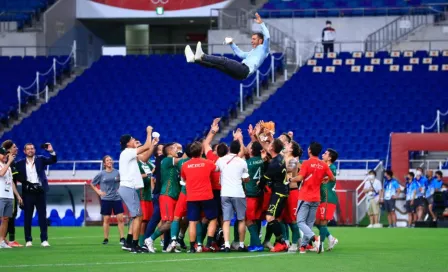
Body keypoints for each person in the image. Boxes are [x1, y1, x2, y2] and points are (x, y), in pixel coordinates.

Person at [184, 13, 270, 81]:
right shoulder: (252, 53)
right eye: (252, 39)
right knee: (216, 65)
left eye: (254, 39)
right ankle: (195, 60)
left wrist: (261, 24)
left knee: (223, 60)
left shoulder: (264, 49)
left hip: (244, 70)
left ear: (260, 41)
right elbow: (240, 54)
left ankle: (203, 56)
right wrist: (232, 43)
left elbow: (268, 37)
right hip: (241, 75)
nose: (252, 41)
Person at [289, 142, 335, 254]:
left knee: (300, 222)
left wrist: (291, 179)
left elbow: (300, 178)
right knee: (309, 223)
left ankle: (315, 238)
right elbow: (332, 178)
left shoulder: (306, 163)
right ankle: (303, 246)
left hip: (305, 196)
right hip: (316, 198)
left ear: (309, 150)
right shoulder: (323, 165)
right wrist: (326, 179)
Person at [118, 126, 156, 253]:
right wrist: (149, 132)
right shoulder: (128, 152)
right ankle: (134, 245)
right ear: (128, 143)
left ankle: (131, 244)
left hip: (128, 188)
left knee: (136, 216)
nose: (134, 140)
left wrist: (153, 145)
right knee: (138, 216)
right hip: (129, 187)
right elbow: (145, 146)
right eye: (132, 139)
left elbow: (144, 158)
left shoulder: (128, 154)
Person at [16, 142, 57, 247]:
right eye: (28, 149)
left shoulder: (40, 159)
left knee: (42, 216)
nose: (31, 150)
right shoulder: (19, 163)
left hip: (40, 191)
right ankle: (28, 240)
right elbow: (14, 177)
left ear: (34, 150)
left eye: (32, 148)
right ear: (24, 151)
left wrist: (51, 151)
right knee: (27, 217)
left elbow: (53, 160)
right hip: (28, 192)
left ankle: (44, 240)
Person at [145, 142, 183, 253]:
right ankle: (150, 239)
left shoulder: (174, 165)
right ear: (170, 151)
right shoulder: (167, 160)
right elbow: (182, 159)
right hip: (167, 195)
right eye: (175, 149)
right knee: (168, 222)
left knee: (175, 221)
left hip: (174, 195)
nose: (178, 151)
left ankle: (170, 245)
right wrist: (193, 153)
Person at [181, 141, 219, 253]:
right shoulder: (207, 163)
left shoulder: (185, 165)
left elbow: (183, 179)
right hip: (207, 195)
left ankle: (192, 247)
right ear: (201, 151)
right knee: (213, 218)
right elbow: (217, 169)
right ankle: (208, 244)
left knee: (192, 221)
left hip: (192, 196)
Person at [215, 136, 249, 252]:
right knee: (241, 219)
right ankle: (240, 244)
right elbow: (245, 178)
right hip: (238, 193)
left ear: (229, 148)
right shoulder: (242, 162)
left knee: (226, 220)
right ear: (239, 149)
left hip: (225, 193)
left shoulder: (221, 160)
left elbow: (215, 170)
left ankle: (227, 245)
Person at [258, 139, 289, 253]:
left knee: (269, 217)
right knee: (274, 218)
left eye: (270, 144)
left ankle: (281, 243)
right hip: (282, 191)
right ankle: (280, 242)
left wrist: (259, 185)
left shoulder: (274, 163)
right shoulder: (280, 157)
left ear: (272, 148)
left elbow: (264, 179)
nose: (268, 145)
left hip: (278, 193)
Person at [90, 155, 125, 245]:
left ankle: (122, 238)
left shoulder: (118, 173)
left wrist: (121, 190)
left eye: (110, 160)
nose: (109, 161)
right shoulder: (101, 174)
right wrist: (98, 192)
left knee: (120, 219)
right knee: (106, 219)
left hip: (117, 198)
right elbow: (92, 184)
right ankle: (106, 238)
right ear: (104, 163)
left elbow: (124, 182)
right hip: (106, 199)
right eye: (107, 160)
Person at [280, 140, 302, 253]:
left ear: (291, 149)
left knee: (293, 220)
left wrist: (277, 166)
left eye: (288, 144)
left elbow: (290, 169)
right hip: (283, 191)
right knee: (283, 218)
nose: (285, 145)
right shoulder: (283, 158)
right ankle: (290, 241)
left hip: (292, 192)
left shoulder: (293, 160)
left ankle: (294, 244)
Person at [316, 148, 339, 252]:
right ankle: (330, 238)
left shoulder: (332, 168)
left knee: (323, 222)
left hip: (328, 198)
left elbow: (328, 177)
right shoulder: (323, 166)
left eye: (325, 153)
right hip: (321, 198)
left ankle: (320, 245)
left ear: (329, 158)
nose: (323, 154)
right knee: (316, 221)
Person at [0, 147, 23, 249]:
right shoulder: (5, 166)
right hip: (0, 195)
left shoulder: (8, 167)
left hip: (9, 196)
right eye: (3, 154)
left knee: (6, 219)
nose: (5, 156)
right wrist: (9, 162)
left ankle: (1, 240)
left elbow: (11, 183)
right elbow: (1, 173)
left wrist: (17, 195)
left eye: (6, 154)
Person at [244, 141, 265, 252]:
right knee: (256, 220)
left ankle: (257, 244)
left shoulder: (247, 162)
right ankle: (254, 244)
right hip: (260, 193)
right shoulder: (262, 160)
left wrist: (241, 140)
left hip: (251, 194)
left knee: (248, 220)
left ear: (252, 150)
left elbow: (243, 151)